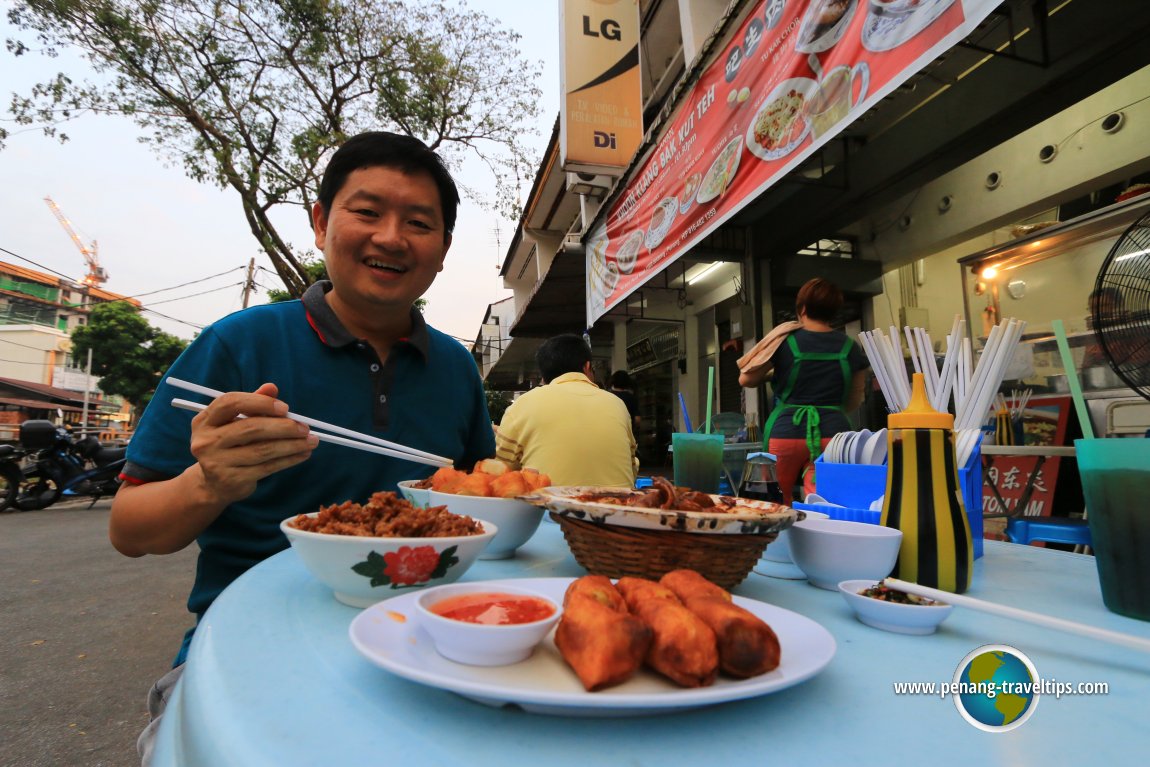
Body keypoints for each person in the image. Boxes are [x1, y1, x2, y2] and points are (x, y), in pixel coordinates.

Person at [111, 131, 496, 764]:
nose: (392, 237)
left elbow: (479, 498)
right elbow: (129, 529)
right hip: (250, 645)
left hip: (430, 641)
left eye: (418, 223)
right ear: (321, 223)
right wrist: (208, 484)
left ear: (443, 249)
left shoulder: (456, 368)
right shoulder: (238, 344)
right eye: (367, 212)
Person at [737, 278, 868, 501]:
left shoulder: (785, 342)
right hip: (833, 435)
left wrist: (772, 373)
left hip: (786, 432)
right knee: (823, 501)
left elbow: (746, 379)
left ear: (803, 308)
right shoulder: (850, 347)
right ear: (834, 311)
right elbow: (855, 398)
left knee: (776, 501)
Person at [495, 334, 638, 487]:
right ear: (587, 366)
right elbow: (631, 465)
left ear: (543, 376)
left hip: (549, 508)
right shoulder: (617, 404)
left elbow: (500, 471)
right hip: (620, 507)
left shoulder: (521, 406)